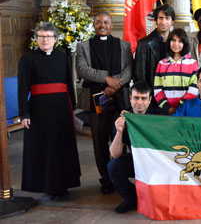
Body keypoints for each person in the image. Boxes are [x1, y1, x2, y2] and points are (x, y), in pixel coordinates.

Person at [18, 22, 80, 199]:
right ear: (36, 38)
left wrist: (73, 105)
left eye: (48, 36)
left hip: (61, 109)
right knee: (45, 148)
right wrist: (24, 113)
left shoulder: (62, 57)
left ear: (56, 39)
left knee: (62, 146)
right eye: (41, 36)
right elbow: (22, 88)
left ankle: (64, 184)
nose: (44, 40)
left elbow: (68, 83)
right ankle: (47, 186)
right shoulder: (27, 59)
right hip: (39, 111)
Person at [76, 12, 133, 194]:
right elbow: (83, 69)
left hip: (119, 99)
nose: (102, 25)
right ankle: (106, 180)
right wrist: (106, 79)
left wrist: (113, 85)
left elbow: (128, 70)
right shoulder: (83, 46)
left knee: (119, 138)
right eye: (99, 22)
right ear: (94, 25)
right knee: (99, 142)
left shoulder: (123, 45)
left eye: (106, 22)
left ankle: (119, 177)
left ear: (111, 25)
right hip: (95, 101)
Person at [108, 82, 163, 214]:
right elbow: (115, 154)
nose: (139, 102)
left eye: (143, 98)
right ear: (130, 98)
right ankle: (131, 198)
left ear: (150, 100)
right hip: (136, 160)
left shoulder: (160, 116)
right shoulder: (124, 118)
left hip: (158, 162)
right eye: (136, 98)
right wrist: (120, 131)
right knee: (113, 165)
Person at [153, 28, 199, 115]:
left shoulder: (192, 63)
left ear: (184, 43)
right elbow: (157, 90)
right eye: (173, 40)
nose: (176, 44)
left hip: (186, 111)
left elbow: (194, 89)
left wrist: (181, 106)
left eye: (180, 41)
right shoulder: (162, 63)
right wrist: (167, 108)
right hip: (165, 112)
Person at [133, 4, 175, 93]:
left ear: (172, 21)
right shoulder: (143, 44)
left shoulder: (178, 43)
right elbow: (140, 76)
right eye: (160, 18)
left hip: (173, 94)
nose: (163, 22)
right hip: (152, 94)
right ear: (155, 20)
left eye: (167, 18)